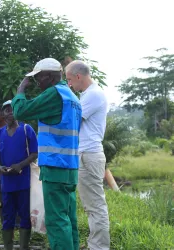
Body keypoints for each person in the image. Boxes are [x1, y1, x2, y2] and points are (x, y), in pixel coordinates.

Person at [12, 58, 82, 250]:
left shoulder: (54, 94)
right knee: (68, 218)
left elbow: (20, 111)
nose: (36, 82)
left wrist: (20, 91)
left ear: (49, 77)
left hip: (55, 166)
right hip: (70, 167)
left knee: (56, 221)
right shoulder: (72, 97)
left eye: (38, 77)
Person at [65, 60, 110, 250]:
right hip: (86, 154)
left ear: (78, 76)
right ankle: (95, 244)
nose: (68, 84)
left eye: (69, 80)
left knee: (95, 205)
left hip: (89, 154)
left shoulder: (93, 95)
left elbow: (72, 119)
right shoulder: (87, 95)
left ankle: (99, 247)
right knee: (90, 205)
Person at [0, 100, 38, 250]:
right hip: (7, 182)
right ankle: (8, 247)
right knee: (7, 216)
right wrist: (0, 167)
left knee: (24, 215)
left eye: (13, 110)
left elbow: (34, 153)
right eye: (6, 110)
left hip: (23, 181)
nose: (10, 113)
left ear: (17, 112)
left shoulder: (26, 129)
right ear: (3, 114)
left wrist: (20, 165)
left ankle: (24, 246)